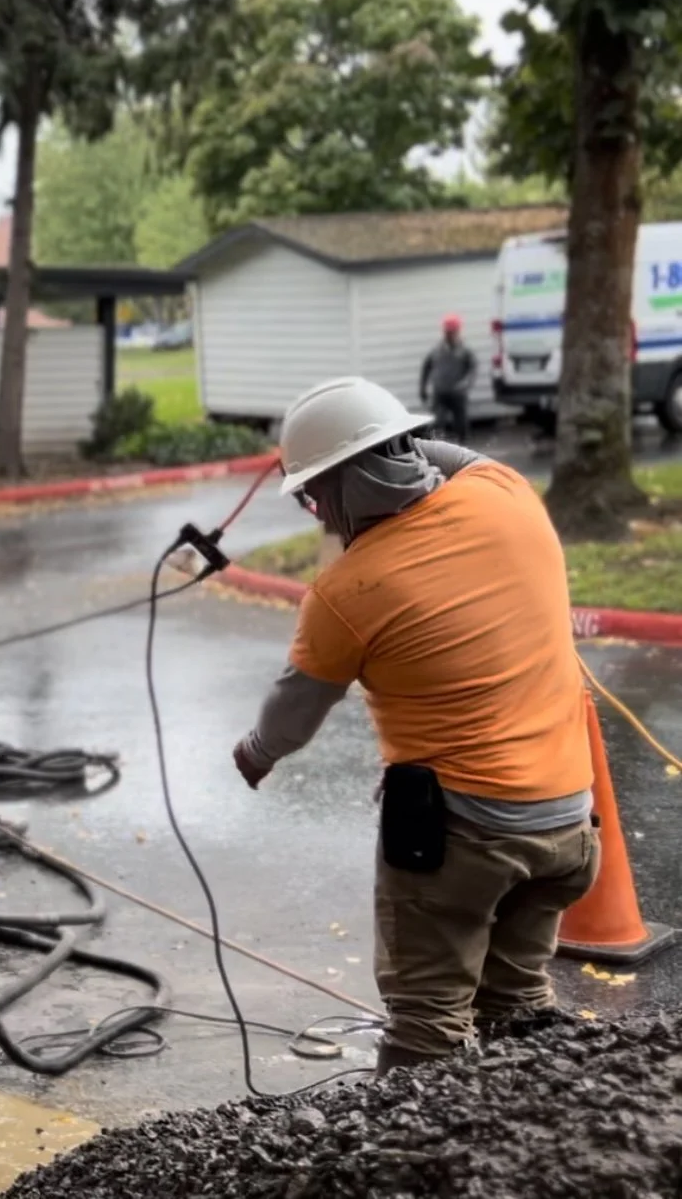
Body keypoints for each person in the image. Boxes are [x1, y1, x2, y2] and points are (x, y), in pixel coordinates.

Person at [234, 376, 599, 1074]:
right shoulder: (508, 496)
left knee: (427, 1017)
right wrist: (382, 437)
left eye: (314, 494)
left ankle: (410, 1162)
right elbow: (458, 460)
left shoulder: (346, 592)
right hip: (568, 829)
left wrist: (256, 752)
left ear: (342, 487)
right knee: (517, 995)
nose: (317, 515)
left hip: (466, 839)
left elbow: (293, 712)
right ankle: (533, 1133)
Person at [419, 314, 476, 445]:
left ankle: (463, 449)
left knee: (461, 425)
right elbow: (426, 368)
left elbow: (472, 369)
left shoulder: (464, 350)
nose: (449, 334)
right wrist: (423, 388)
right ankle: (437, 449)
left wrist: (466, 383)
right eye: (447, 332)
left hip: (458, 394)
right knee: (437, 423)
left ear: (457, 331)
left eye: (452, 331)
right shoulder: (437, 350)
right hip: (440, 393)